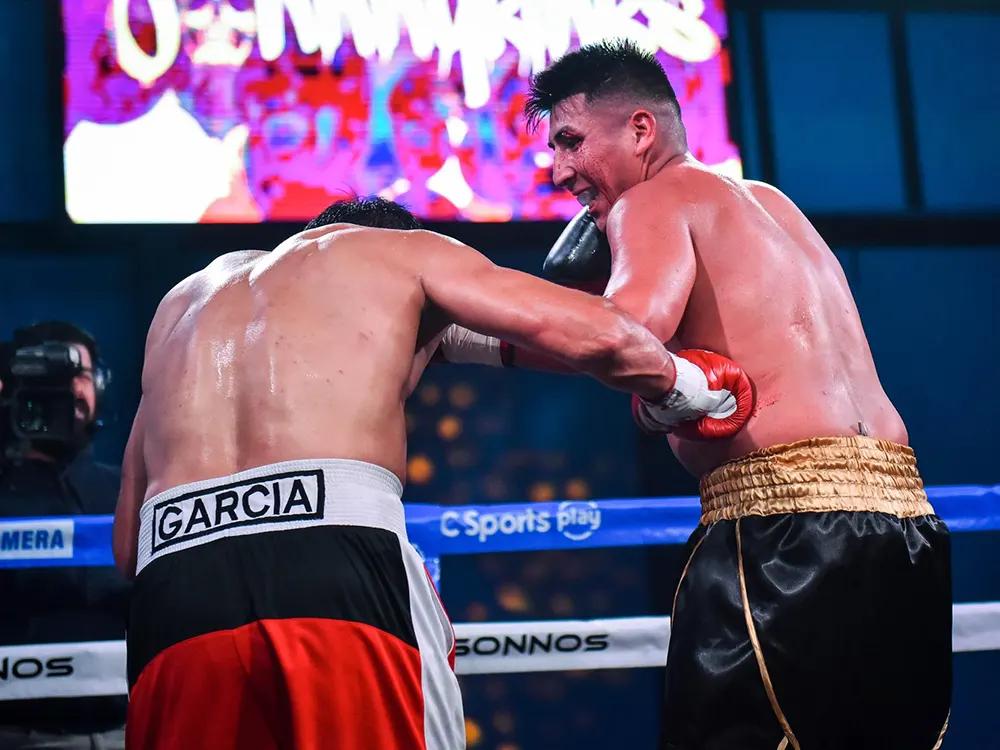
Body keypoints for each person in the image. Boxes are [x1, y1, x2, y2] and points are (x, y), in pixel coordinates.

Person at [449, 39, 951, 750]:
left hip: (786, 531)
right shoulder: (771, 202)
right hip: (903, 522)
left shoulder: (651, 201)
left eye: (571, 141)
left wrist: (462, 330)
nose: (558, 170)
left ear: (641, 130)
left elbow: (622, 334)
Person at [111, 196, 752, 750]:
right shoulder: (402, 252)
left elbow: (125, 547)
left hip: (174, 593)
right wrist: (688, 388)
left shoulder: (182, 305)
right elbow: (608, 336)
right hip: (334, 565)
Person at [0, 322, 128, 750]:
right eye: (51, 377)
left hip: (122, 730)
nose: (71, 390)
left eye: (81, 375)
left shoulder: (129, 490)